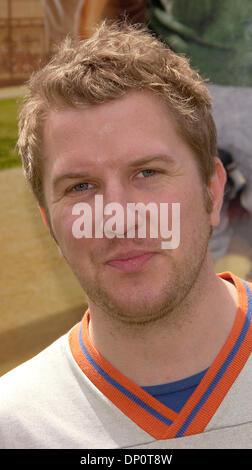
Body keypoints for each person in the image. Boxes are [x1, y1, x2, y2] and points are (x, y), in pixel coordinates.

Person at [0, 20, 251, 449]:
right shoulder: (15, 425)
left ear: (211, 191)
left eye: (147, 172)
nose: (116, 217)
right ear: (49, 223)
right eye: (81, 187)